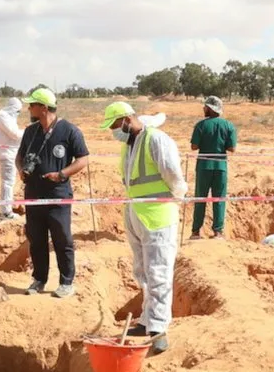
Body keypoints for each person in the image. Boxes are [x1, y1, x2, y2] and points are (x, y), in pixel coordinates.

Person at [102, 101, 188, 355]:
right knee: (143, 271)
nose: (114, 131)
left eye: (116, 125)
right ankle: (147, 320)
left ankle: (159, 329)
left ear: (127, 119)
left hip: (158, 215)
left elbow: (173, 175)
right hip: (136, 214)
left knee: (158, 271)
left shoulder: (156, 139)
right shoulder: (129, 145)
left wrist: (176, 197)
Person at [15, 88, 90, 298]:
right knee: (36, 239)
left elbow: (83, 159)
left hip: (58, 195)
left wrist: (61, 174)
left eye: (32, 105)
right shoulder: (30, 132)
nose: (29, 108)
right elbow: (19, 157)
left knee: (62, 239)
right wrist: (21, 170)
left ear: (44, 108)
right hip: (33, 195)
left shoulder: (69, 131)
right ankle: (39, 279)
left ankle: (66, 282)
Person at [189, 96, 237, 240]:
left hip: (204, 166)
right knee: (219, 199)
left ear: (210, 109)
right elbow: (232, 148)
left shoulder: (200, 125)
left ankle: (196, 232)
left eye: (205, 107)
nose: (203, 109)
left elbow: (194, 146)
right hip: (221, 166)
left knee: (200, 198)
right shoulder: (229, 126)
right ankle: (218, 232)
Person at [0, 97, 25, 220]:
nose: (18, 114)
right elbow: (15, 134)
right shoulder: (2, 116)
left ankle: (6, 209)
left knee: (9, 182)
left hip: (9, 153)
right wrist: (29, 131)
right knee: (8, 183)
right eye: (18, 111)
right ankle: (5, 212)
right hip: (6, 154)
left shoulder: (7, 117)